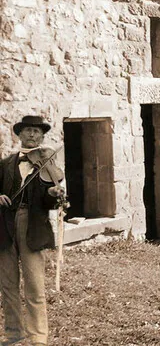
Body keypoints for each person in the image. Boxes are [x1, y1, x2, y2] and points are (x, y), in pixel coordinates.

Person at [0, 115, 65, 346]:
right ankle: (13, 333)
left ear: (42, 136)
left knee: (35, 285)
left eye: (36, 132)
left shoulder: (46, 164)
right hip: (5, 226)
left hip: (32, 225)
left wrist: (54, 195)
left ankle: (38, 337)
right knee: (8, 286)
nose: (31, 135)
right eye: (27, 130)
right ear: (19, 134)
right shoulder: (6, 163)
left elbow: (47, 199)